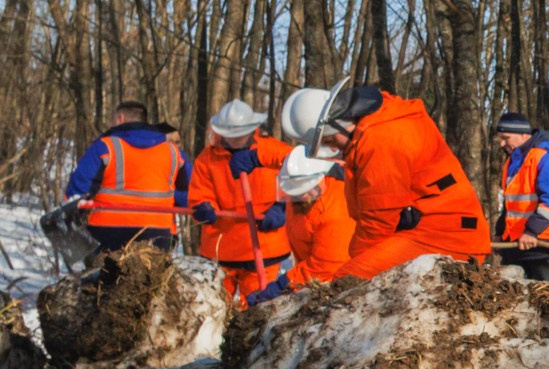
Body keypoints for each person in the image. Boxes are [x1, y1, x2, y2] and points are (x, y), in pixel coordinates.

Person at [278, 83, 493, 281]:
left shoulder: (379, 141)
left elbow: (378, 220)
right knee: (354, 271)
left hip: (446, 234)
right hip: (436, 227)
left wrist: (358, 260)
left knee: (348, 281)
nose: (333, 148)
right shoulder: (379, 123)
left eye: (330, 140)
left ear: (339, 123)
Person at [192, 100, 294, 301]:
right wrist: (204, 208)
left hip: (264, 247)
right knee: (216, 305)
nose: (236, 140)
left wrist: (283, 207)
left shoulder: (273, 151)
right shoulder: (207, 159)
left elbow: (299, 178)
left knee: (257, 307)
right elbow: (199, 194)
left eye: (241, 135)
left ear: (252, 129)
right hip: (222, 248)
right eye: (231, 135)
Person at [64, 101, 189, 252]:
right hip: (159, 233)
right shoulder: (173, 152)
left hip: (108, 232)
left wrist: (71, 211)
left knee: (104, 266)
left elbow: (77, 189)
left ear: (120, 118)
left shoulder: (105, 146)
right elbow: (194, 192)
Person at [490, 111, 549, 288]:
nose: (502, 144)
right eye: (500, 139)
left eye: (506, 138)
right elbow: (511, 205)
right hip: (519, 244)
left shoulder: (548, 157)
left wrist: (532, 232)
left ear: (523, 134)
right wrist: (501, 233)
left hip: (547, 245)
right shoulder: (514, 161)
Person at [271, 147, 353, 290]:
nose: (304, 197)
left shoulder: (335, 210)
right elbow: (279, 155)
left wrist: (285, 283)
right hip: (309, 277)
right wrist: (257, 156)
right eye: (297, 194)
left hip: (337, 282)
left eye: (308, 191)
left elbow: (326, 266)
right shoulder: (297, 181)